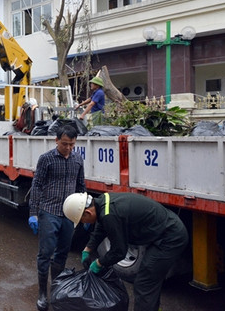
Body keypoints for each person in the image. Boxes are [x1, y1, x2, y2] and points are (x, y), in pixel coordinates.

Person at [63, 192, 189, 311]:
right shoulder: (103, 201)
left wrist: (99, 263)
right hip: (163, 231)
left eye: (81, 221)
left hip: (170, 238)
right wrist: (88, 249)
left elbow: (119, 251)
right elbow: (101, 226)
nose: (83, 224)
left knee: (144, 283)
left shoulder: (110, 215)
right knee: (149, 281)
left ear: (87, 213)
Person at [28, 125, 85, 311]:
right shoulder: (46, 159)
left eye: (72, 144)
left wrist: (83, 212)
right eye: (65, 144)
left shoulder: (78, 159)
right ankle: (42, 293)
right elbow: (36, 186)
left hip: (70, 214)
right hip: (49, 211)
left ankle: (56, 289)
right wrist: (33, 213)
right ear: (57, 141)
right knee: (45, 253)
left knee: (63, 252)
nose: (68, 148)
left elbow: (81, 185)